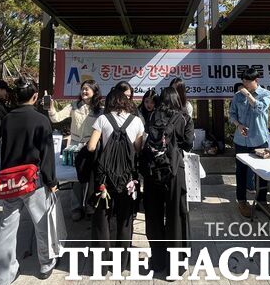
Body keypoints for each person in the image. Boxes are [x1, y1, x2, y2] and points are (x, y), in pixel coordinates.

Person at [0, 77, 59, 285]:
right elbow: (47, 154)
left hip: (9, 180)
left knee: (7, 226)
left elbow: (3, 150)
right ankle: (45, 263)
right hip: (33, 180)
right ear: (35, 96)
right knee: (42, 224)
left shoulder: (7, 118)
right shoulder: (40, 120)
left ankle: (2, 277)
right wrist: (51, 181)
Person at [87, 89, 145, 269]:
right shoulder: (136, 121)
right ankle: (121, 263)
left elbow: (91, 147)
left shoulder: (103, 120)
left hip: (105, 177)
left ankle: (102, 263)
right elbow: (138, 148)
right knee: (125, 219)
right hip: (127, 178)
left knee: (102, 218)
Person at [142, 87, 194, 273]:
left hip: (152, 171)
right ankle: (175, 266)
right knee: (175, 215)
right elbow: (188, 144)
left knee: (154, 216)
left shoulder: (152, 116)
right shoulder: (184, 118)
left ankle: (157, 261)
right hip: (174, 170)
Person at [48, 79, 103, 221]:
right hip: (75, 147)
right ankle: (76, 207)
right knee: (77, 179)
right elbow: (56, 118)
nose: (84, 91)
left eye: (87, 89)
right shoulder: (73, 106)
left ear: (95, 92)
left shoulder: (100, 110)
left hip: (91, 148)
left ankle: (91, 207)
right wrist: (51, 108)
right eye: (83, 88)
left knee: (91, 179)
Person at [229, 68, 270, 218]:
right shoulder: (237, 96)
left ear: (256, 80)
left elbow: (259, 109)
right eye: (243, 81)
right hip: (241, 139)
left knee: (262, 172)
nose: (245, 84)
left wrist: (247, 95)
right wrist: (238, 125)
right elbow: (232, 114)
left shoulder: (266, 94)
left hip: (259, 139)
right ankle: (241, 200)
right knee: (240, 171)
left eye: (248, 81)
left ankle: (262, 200)